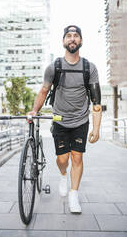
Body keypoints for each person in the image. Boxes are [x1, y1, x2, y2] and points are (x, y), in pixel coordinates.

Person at [27, 25, 102, 213]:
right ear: (63, 41)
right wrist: (34, 111)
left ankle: (73, 194)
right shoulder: (54, 67)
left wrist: (96, 128)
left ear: (81, 41)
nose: (72, 39)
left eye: (76, 36)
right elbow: (44, 91)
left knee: (77, 157)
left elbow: (96, 102)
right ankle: (62, 175)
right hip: (60, 119)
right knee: (62, 159)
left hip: (81, 120)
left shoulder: (89, 68)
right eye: (69, 36)